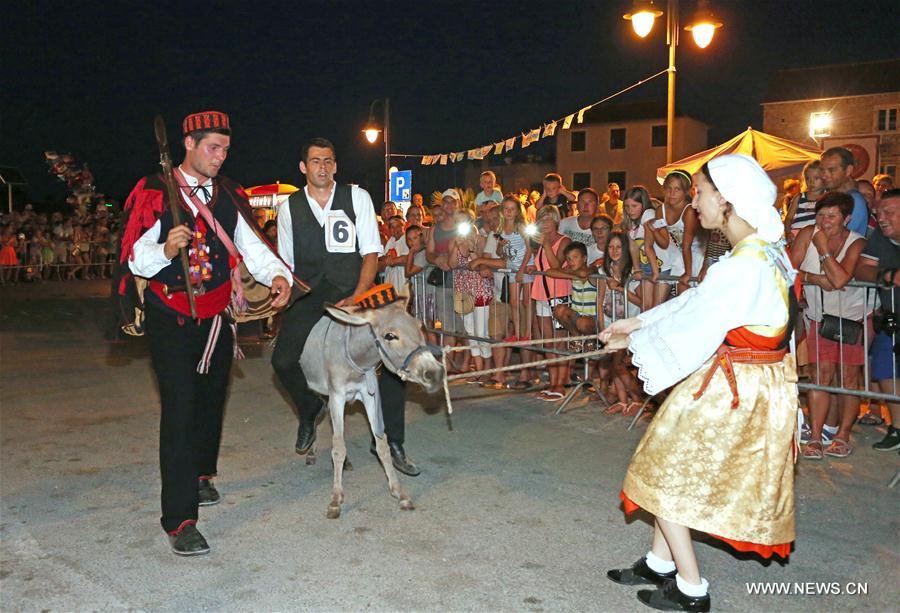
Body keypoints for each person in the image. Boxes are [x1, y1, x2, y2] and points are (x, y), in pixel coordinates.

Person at [601, 154, 798, 612]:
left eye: (703, 193)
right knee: (667, 458)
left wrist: (631, 341)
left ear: (727, 201)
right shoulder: (757, 251)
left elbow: (694, 318)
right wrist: (632, 325)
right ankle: (658, 561)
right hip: (744, 380)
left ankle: (692, 589)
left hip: (740, 386)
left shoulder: (743, 265)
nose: (695, 202)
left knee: (666, 472)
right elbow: (696, 301)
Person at [122, 110, 292, 556]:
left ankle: (200, 474)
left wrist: (277, 275)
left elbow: (252, 245)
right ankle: (180, 520)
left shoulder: (228, 194)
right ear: (189, 145)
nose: (220, 157)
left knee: (211, 397)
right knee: (179, 408)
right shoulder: (156, 192)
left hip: (217, 315)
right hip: (172, 316)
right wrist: (165, 247)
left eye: (225, 150)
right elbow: (136, 259)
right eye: (213, 148)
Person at [272, 138, 420, 477]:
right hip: (310, 292)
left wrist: (357, 295)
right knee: (281, 360)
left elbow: (371, 252)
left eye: (328, 160)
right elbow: (286, 263)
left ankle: (392, 440)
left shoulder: (357, 197)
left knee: (391, 352)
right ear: (303, 167)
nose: (322, 167)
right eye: (314, 161)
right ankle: (310, 409)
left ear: (336, 165)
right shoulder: (288, 208)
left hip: (356, 286)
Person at [790, 192, 869, 459]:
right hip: (820, 317)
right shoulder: (806, 234)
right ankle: (815, 436)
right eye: (821, 215)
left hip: (853, 318)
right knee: (820, 376)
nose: (824, 222)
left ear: (846, 218)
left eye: (832, 216)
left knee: (848, 378)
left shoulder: (857, 242)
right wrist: (813, 277)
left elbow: (837, 280)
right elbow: (790, 268)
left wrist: (823, 248)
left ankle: (843, 434)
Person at [854, 188, 900, 451]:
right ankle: (897, 428)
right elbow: (861, 268)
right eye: (879, 212)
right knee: (885, 371)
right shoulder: (880, 240)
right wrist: (888, 276)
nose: (881, 218)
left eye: (889, 213)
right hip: (892, 319)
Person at [520, 205, 571, 401]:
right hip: (542, 292)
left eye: (549, 219)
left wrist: (546, 246)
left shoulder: (564, 241)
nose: (545, 223)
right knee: (547, 340)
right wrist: (534, 266)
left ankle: (560, 384)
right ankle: (552, 381)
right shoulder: (539, 243)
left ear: (556, 221)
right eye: (542, 219)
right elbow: (543, 265)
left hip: (559, 293)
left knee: (559, 340)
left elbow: (557, 265)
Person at [820, 146, 869, 236]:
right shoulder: (829, 196)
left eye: (831, 170)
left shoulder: (855, 201)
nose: (824, 175)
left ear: (848, 170)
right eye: (822, 170)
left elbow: (833, 237)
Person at [784, 160, 826, 238]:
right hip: (797, 234)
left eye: (816, 178)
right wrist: (787, 232)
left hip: (816, 235)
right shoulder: (799, 197)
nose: (811, 182)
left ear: (824, 178)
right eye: (807, 179)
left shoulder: (827, 197)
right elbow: (789, 218)